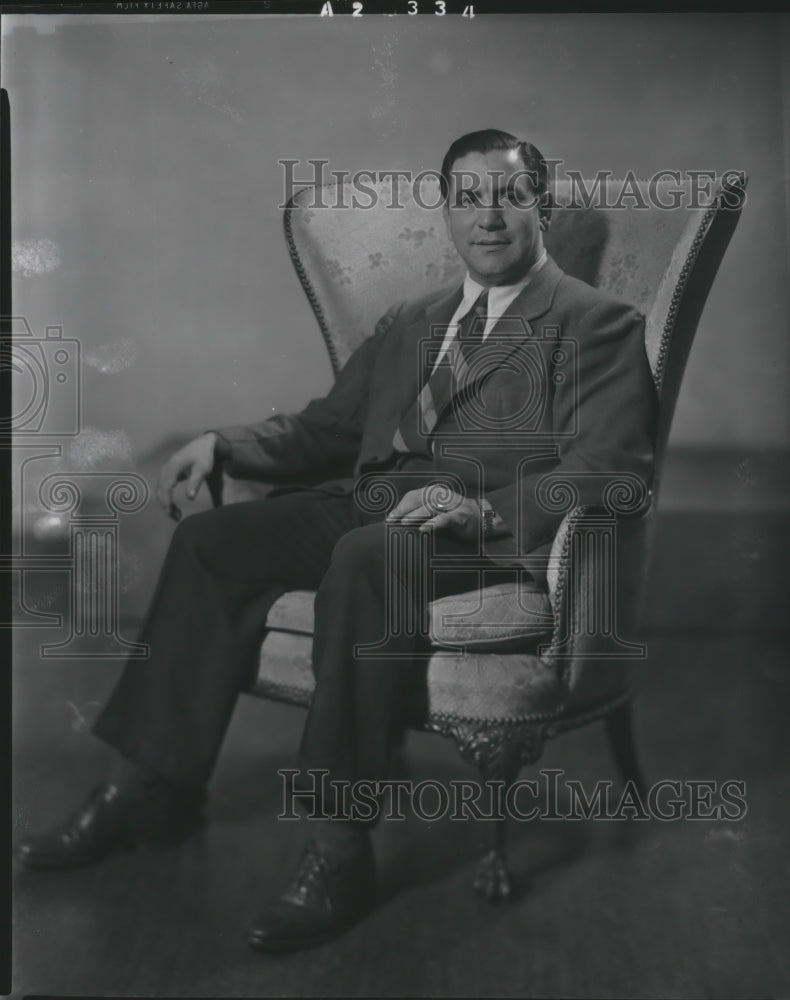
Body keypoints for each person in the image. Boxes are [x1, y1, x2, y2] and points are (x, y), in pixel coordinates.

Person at [15, 129, 658, 953]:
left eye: (509, 195)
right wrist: (227, 443)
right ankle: (153, 789)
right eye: (467, 198)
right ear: (447, 214)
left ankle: (339, 847)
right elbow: (326, 429)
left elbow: (614, 466)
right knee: (212, 541)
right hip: (371, 504)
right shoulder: (417, 318)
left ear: (541, 205)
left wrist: (488, 515)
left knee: (366, 557)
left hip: (473, 529)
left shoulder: (596, 322)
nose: (488, 216)